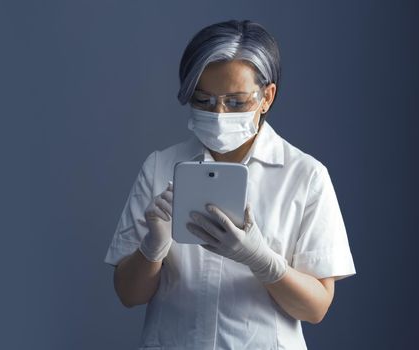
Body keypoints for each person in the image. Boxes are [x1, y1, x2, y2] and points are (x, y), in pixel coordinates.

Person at [104, 19, 356, 349]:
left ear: (267, 97)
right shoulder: (160, 167)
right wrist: (153, 247)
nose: (219, 113)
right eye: (203, 100)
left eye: (236, 102)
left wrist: (262, 259)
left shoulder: (305, 176)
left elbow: (315, 308)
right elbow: (128, 294)